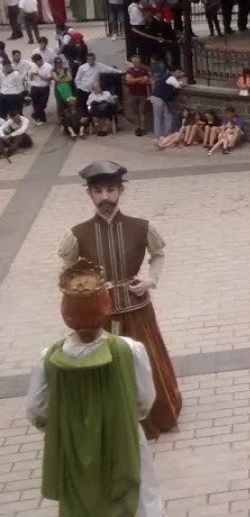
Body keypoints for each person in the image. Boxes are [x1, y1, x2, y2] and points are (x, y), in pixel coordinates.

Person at [25, 258, 163, 516]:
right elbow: (145, 400)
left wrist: (66, 425)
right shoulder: (130, 351)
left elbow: (36, 409)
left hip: (74, 449)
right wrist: (123, 416)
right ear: (105, 307)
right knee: (140, 502)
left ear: (65, 313)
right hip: (124, 441)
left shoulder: (49, 358)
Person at [57, 161, 181, 439]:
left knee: (144, 360)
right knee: (102, 365)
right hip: (97, 313)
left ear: (121, 191)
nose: (105, 197)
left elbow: (158, 254)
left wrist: (151, 281)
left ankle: (153, 414)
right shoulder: (77, 234)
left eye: (111, 190)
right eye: (98, 191)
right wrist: (76, 293)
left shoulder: (141, 227)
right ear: (89, 194)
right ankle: (109, 423)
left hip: (137, 308)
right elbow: (66, 270)